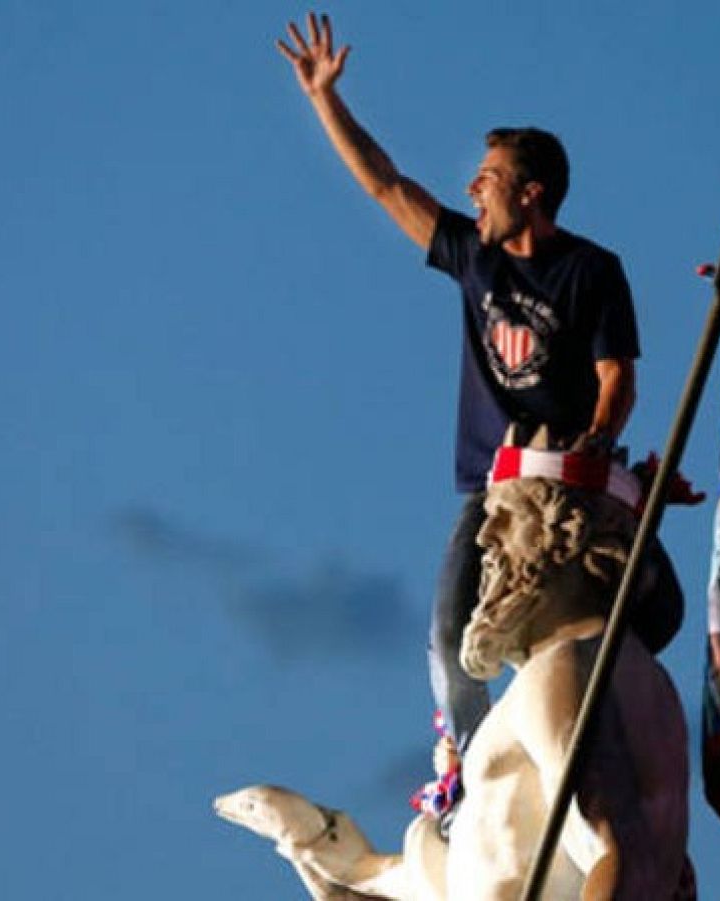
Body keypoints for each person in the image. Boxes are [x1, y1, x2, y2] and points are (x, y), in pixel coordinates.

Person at [275, 13, 682, 767]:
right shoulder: (472, 254)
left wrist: (595, 442)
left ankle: (612, 724)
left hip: (574, 477)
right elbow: (386, 185)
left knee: (662, 607)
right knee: (446, 640)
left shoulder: (592, 270)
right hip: (494, 487)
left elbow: (617, 376)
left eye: (487, 179)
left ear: (530, 195)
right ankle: (469, 778)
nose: (472, 188)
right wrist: (324, 100)